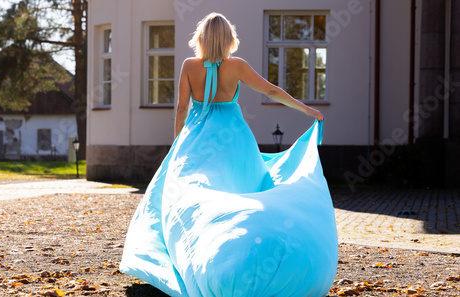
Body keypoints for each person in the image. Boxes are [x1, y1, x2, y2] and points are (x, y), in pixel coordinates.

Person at [120, 12, 338, 297]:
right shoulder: (236, 66)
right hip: (234, 139)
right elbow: (271, 91)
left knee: (186, 194)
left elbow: (181, 109)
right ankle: (249, 249)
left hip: (197, 138)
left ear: (201, 38)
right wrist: (306, 109)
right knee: (243, 193)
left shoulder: (188, 66)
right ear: (228, 39)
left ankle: (199, 256)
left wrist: (178, 144)